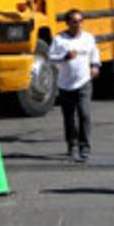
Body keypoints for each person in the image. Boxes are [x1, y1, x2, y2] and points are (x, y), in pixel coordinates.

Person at [48, 9, 101, 161]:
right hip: (65, 84)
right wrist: (65, 57)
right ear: (68, 23)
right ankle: (72, 145)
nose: (78, 25)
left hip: (83, 82)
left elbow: (94, 53)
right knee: (69, 117)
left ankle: (85, 147)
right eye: (74, 22)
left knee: (84, 114)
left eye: (80, 21)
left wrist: (95, 66)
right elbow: (50, 58)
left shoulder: (88, 38)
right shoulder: (59, 39)